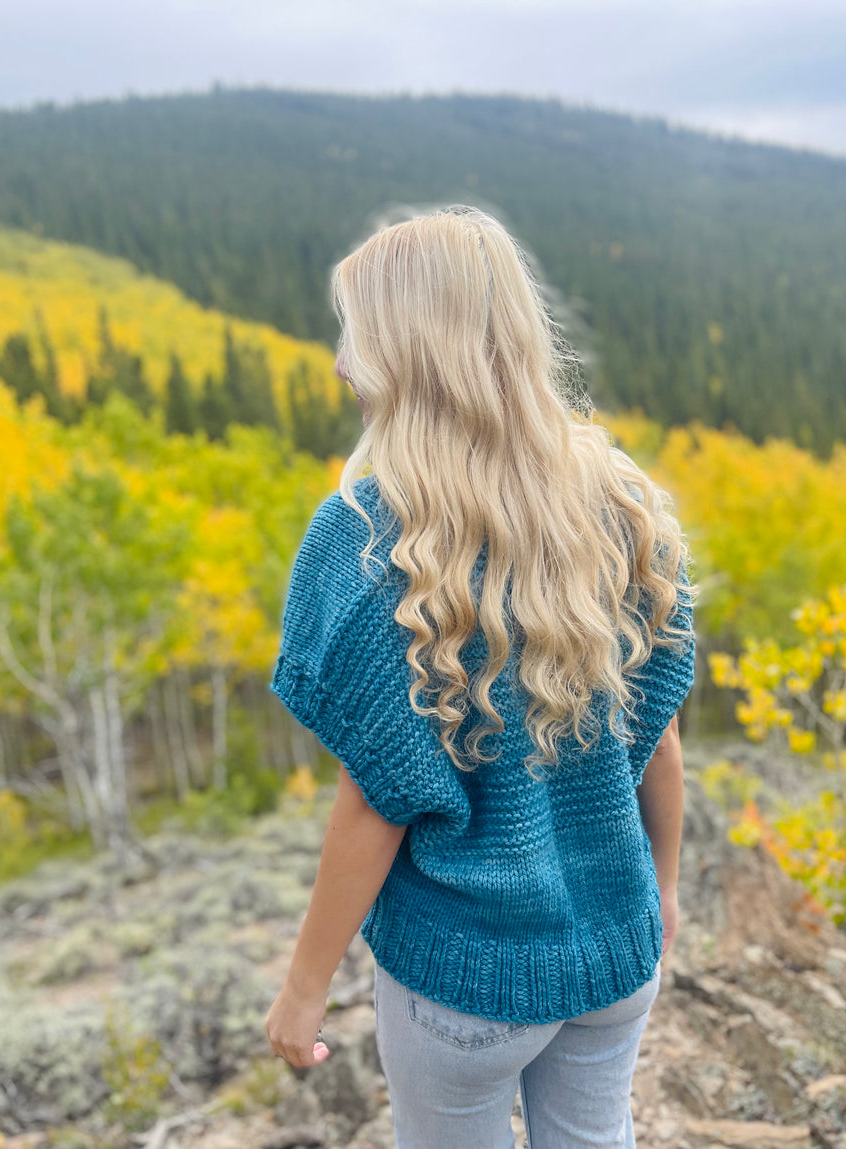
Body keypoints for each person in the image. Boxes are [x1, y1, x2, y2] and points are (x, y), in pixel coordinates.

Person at [265, 205, 695, 1149]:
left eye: (355, 335)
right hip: (615, 953)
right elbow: (657, 732)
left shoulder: (364, 539)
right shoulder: (622, 503)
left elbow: (376, 803)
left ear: (403, 352)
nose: (341, 363)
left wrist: (303, 990)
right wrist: (659, 888)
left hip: (463, 984)